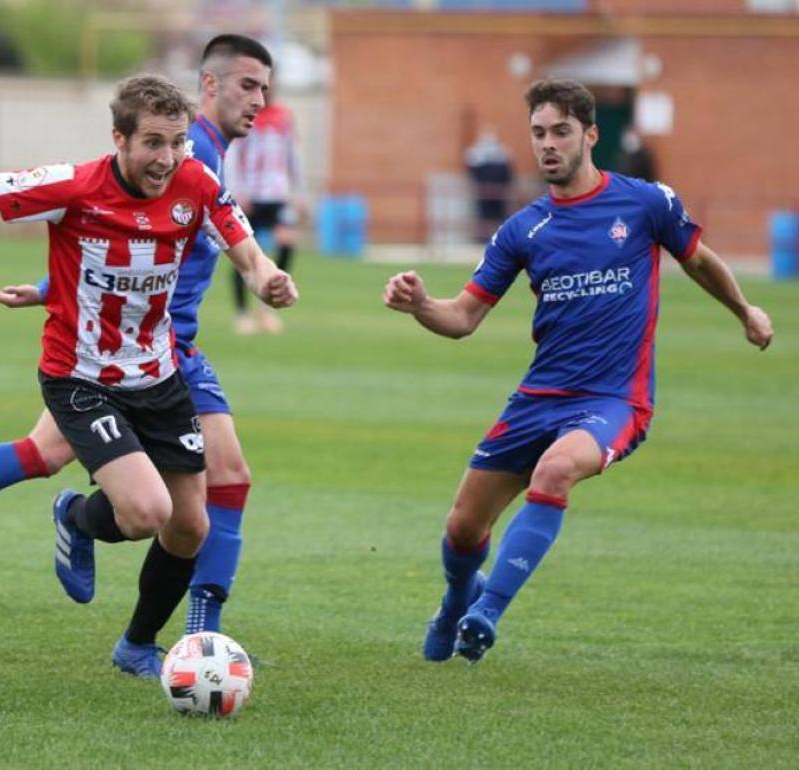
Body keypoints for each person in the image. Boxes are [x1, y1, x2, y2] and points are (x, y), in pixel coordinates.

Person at [0, 72, 297, 677]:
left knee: (190, 525)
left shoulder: (195, 182)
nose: (167, 159)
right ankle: (71, 516)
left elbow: (243, 245)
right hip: (81, 378)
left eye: (178, 142)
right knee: (144, 513)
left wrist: (265, 277)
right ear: (120, 139)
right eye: (153, 143)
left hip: (158, 376)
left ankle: (136, 645)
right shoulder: (74, 187)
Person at [383, 78, 772, 664]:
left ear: (590, 135)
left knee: (556, 469)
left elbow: (699, 260)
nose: (547, 145)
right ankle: (459, 598)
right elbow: (463, 317)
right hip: (539, 397)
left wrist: (745, 310)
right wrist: (420, 306)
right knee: (463, 528)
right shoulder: (523, 230)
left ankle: (486, 614)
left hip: (615, 399)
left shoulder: (646, 204)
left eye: (560, 132)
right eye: (538, 133)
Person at [0, 34, 274, 643]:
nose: (259, 101)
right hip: (145, 349)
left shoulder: (202, 164)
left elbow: (154, 244)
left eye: (266, 90)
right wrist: (51, 288)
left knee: (211, 489)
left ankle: (188, 634)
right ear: (211, 86)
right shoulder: (188, 152)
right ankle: (185, 627)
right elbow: (112, 229)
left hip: (165, 354)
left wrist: (266, 273)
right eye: (249, 86)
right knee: (100, 480)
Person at [224, 89, 304, 334]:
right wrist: (236, 190)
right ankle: (242, 313)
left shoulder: (283, 117)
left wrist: (299, 192)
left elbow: (293, 155)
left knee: (287, 243)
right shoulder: (244, 116)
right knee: (243, 254)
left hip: (277, 194)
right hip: (250, 194)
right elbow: (233, 153)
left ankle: (267, 306)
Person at [464, 127, 514, 243]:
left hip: (496, 194)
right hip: (486, 193)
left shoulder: (501, 154)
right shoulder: (480, 155)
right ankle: (486, 238)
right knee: (485, 216)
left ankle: (496, 238)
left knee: (495, 216)